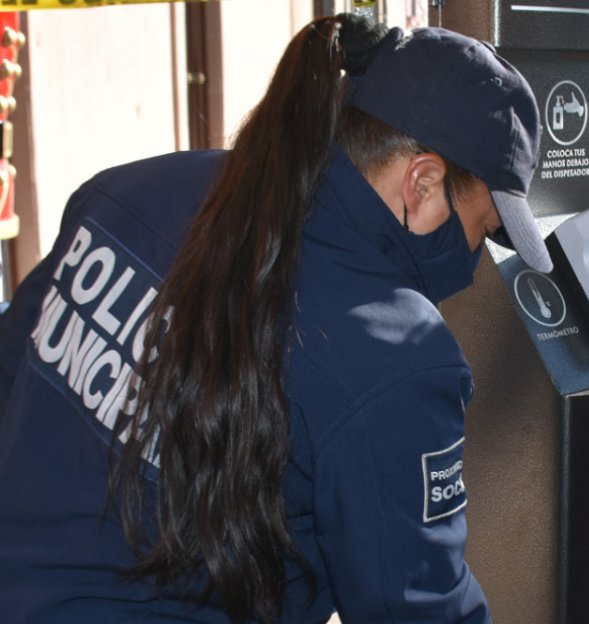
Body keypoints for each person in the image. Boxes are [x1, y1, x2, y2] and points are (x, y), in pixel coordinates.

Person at [0, 14, 551, 623]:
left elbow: (11, 374)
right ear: (422, 184)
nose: (474, 263)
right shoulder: (398, 357)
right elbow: (420, 609)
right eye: (483, 231)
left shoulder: (128, 191)